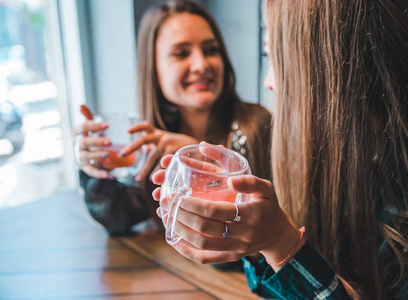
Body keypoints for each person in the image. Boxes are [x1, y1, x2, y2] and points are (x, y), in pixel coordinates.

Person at [152, 0, 408, 298]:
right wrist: (258, 243)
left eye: (275, 56)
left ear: (331, 62)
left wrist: (281, 244)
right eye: (180, 53)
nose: (269, 82)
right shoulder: (353, 158)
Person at [73, 0, 271, 239]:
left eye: (211, 50)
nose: (201, 64)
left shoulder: (258, 124)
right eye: (181, 53)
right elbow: (118, 219)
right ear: (154, 71)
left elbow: (257, 237)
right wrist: (95, 168)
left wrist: (194, 158)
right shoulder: (153, 140)